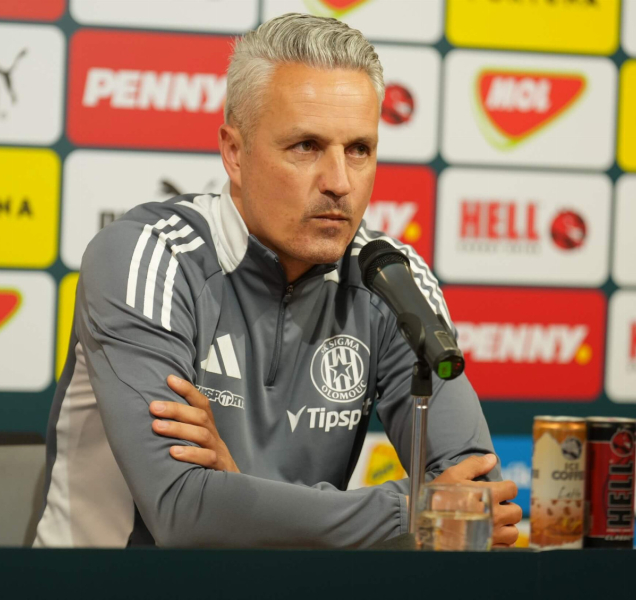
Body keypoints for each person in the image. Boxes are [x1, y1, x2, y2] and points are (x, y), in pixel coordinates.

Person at [34, 13, 520, 549]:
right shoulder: (148, 256)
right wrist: (409, 512)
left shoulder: (390, 279)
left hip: (288, 585)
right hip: (111, 583)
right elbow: (183, 510)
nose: (339, 182)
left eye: (359, 149)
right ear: (234, 153)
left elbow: (481, 503)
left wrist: (236, 486)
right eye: (306, 146)